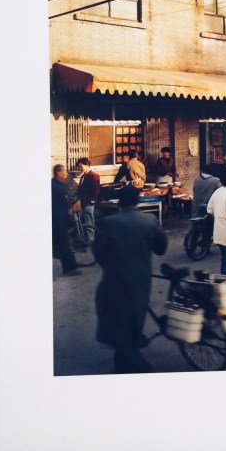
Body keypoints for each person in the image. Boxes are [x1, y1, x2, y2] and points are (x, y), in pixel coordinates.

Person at [93, 184, 168, 373]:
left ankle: (143, 369)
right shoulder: (149, 221)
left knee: (118, 327)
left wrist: (111, 266)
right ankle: (120, 368)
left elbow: (98, 252)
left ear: (119, 201)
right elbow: (161, 248)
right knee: (131, 323)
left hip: (114, 280)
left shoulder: (109, 223)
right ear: (138, 200)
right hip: (141, 280)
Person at [50, 164, 81, 277]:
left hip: (61, 219)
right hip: (58, 221)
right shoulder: (54, 186)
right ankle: (70, 268)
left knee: (63, 245)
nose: (66, 174)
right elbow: (57, 206)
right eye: (64, 172)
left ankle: (69, 267)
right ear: (58, 173)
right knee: (64, 245)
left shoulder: (59, 185)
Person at [73, 157, 101, 245]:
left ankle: (90, 240)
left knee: (89, 221)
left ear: (86, 165)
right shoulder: (83, 176)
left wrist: (92, 202)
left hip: (88, 203)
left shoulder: (94, 176)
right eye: (79, 167)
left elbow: (95, 191)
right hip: (81, 202)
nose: (79, 168)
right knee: (78, 220)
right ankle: (80, 238)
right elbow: (80, 190)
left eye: (81, 166)